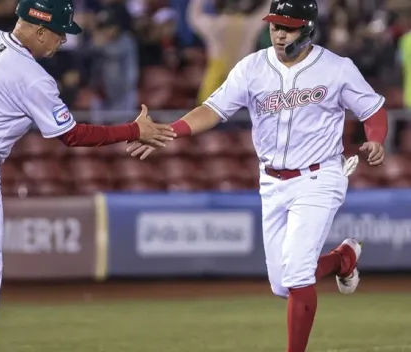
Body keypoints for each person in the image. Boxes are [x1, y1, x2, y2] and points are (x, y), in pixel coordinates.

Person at [127, 0, 388, 351]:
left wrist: (376, 139)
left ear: (308, 28)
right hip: (272, 181)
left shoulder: (336, 68)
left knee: (297, 275)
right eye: (275, 25)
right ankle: (343, 259)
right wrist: (169, 132)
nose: (280, 34)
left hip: (319, 176)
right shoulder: (252, 67)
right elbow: (212, 110)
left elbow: (373, 108)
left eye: (289, 26)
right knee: (283, 285)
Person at [0, 0, 175, 350]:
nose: (62, 41)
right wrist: (131, 130)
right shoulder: (33, 77)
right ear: (38, 30)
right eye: (59, 33)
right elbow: (72, 135)